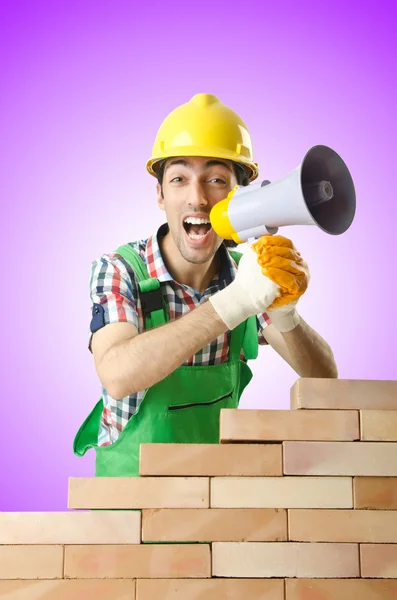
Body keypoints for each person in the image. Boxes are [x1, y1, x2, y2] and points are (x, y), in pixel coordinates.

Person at [73, 93, 338, 477]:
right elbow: (116, 375)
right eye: (179, 179)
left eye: (216, 180)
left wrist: (285, 313)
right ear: (160, 194)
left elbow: (323, 379)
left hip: (214, 500)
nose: (197, 198)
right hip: (125, 508)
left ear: (239, 195)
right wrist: (234, 303)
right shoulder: (119, 270)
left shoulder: (247, 276)